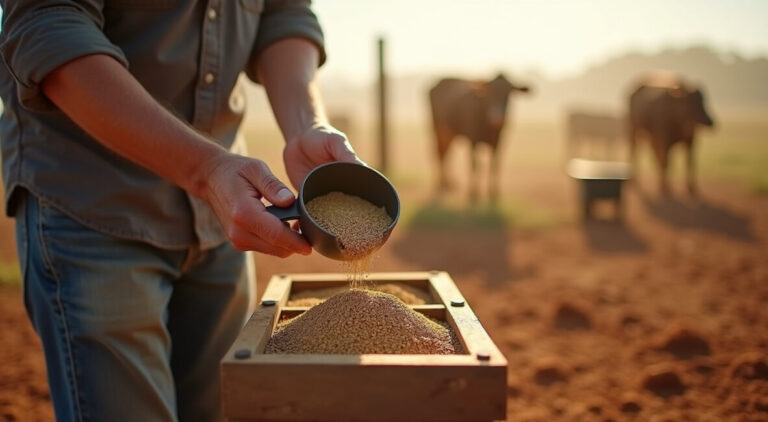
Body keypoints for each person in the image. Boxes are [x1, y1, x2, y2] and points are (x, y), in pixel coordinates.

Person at [0, 1, 359, 421]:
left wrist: (305, 124)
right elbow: (51, 24)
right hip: (93, 207)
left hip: (220, 208)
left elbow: (283, 13)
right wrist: (206, 170)